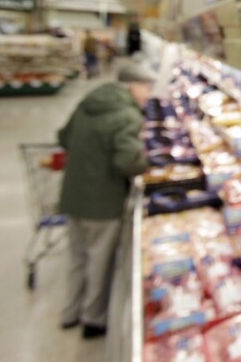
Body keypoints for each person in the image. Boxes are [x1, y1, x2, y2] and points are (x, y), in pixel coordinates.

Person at [56, 63, 155, 338]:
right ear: (131, 86)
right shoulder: (127, 115)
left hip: (73, 196)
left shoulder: (88, 103)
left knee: (77, 258)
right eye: (146, 87)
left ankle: (70, 312)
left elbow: (63, 138)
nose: (148, 94)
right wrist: (147, 162)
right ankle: (94, 320)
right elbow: (127, 161)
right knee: (100, 261)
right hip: (103, 202)